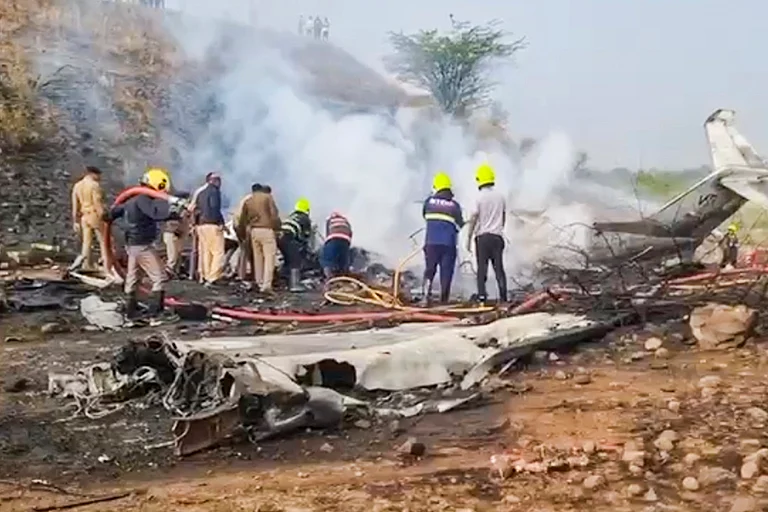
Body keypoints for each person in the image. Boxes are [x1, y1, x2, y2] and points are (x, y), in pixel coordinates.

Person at [106, 168, 186, 319]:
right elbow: (155, 214)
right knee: (159, 277)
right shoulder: (143, 199)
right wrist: (174, 213)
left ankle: (130, 311)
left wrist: (109, 214)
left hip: (132, 244)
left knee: (133, 278)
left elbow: (115, 212)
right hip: (142, 245)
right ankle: (155, 313)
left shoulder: (133, 198)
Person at [466, 163, 507, 303]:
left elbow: (473, 218)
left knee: (482, 269)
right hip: (497, 237)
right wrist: (499, 230)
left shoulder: (479, 197)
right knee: (499, 269)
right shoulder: (501, 197)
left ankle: (482, 297)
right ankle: (503, 297)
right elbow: (503, 217)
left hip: (482, 237)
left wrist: (468, 237)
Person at [422, 172, 464, 304]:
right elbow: (460, 224)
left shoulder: (429, 202)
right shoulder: (454, 205)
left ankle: (425, 297)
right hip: (448, 244)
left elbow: (425, 216)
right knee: (446, 273)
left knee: (430, 270)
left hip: (431, 243)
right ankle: (443, 300)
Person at [238, 183, 280, 293]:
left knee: (258, 258)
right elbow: (274, 214)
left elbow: (243, 219)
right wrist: (277, 229)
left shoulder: (248, 200)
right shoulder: (267, 197)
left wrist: (242, 234)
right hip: (266, 229)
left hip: (254, 231)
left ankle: (259, 281)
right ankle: (266, 285)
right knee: (269, 258)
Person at [70, 166, 109, 273]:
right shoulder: (94, 185)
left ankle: (86, 264)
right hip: (94, 214)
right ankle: (107, 265)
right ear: (93, 174)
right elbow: (97, 202)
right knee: (103, 241)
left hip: (84, 215)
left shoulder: (77, 186)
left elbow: (75, 205)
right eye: (98, 175)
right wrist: (104, 216)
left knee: (86, 242)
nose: (100, 177)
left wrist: (75, 221)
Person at [194, 172, 226, 286]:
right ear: (213, 181)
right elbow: (214, 208)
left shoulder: (200, 192)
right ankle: (212, 277)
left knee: (205, 252)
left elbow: (195, 209)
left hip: (201, 225)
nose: (220, 183)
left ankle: (205, 275)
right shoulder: (215, 192)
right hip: (212, 224)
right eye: (219, 180)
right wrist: (221, 223)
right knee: (218, 252)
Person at [278, 198, 312, 292]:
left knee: (288, 258)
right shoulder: (305, 219)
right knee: (295, 261)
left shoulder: (291, 215)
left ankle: (283, 278)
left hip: (279, 237)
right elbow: (305, 237)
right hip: (288, 238)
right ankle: (294, 285)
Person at [162, 191, 191, 277]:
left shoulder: (177, 209)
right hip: (173, 234)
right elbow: (174, 223)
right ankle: (167, 273)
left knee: (177, 254)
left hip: (177, 234)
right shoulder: (174, 211)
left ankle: (175, 272)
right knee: (172, 256)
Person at [321, 211, 352, 278]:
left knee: (327, 261)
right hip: (345, 240)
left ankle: (329, 278)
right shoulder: (345, 221)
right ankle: (343, 276)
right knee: (343, 263)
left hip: (333, 239)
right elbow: (350, 233)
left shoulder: (330, 220)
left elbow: (328, 233)